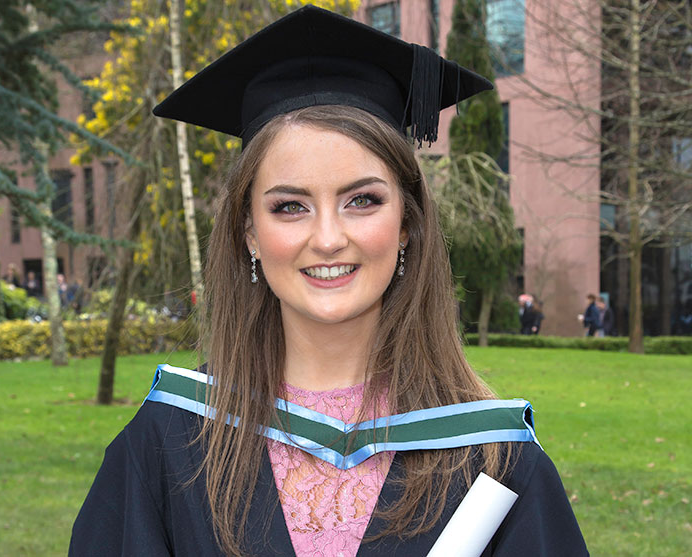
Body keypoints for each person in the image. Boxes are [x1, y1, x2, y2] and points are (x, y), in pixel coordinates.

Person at [70, 7, 587, 556]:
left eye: (362, 200)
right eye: (290, 206)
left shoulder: (494, 459)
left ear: (407, 223)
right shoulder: (168, 441)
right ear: (250, 233)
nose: (328, 238)